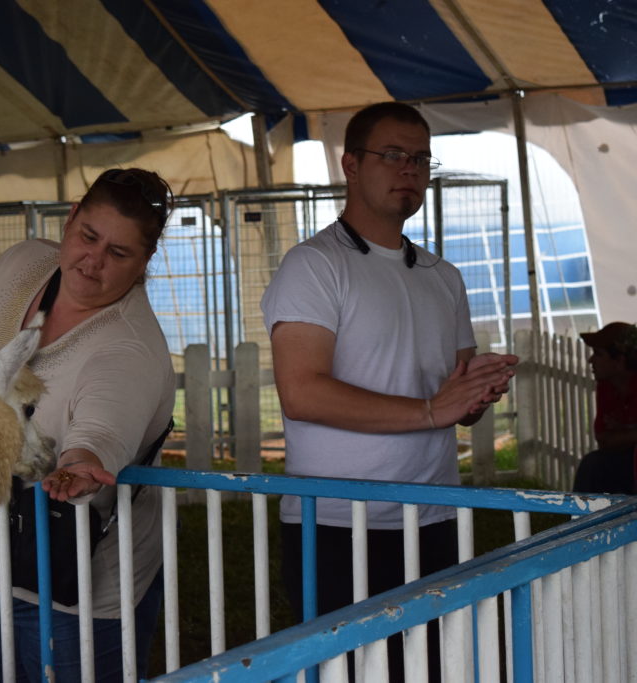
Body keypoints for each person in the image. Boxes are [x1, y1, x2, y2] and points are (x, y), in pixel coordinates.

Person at [260, 102, 518, 680]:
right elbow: (302, 394)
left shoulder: (442, 276)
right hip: (334, 525)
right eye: (394, 155)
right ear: (350, 165)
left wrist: (474, 395)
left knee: (432, 667)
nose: (409, 169)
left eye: (421, 159)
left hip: (434, 515)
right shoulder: (313, 265)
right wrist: (432, 411)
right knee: (348, 671)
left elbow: (456, 403)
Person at [0, 168, 176, 682]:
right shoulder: (22, 264)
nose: (94, 260)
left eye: (119, 253)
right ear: (71, 219)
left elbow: (101, 434)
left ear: (144, 262)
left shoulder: (129, 348)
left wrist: (81, 466)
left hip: (77, 591)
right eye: (88, 236)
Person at [572, 321, 637, 495]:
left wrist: (623, 432)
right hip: (624, 461)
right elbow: (604, 439)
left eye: (598, 354)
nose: (590, 360)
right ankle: (584, 519)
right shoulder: (607, 386)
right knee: (593, 464)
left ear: (620, 361)